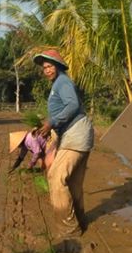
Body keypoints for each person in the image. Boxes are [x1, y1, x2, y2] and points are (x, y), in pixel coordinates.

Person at [35, 49, 94, 242]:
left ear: (58, 67)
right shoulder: (58, 84)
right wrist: (50, 125)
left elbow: (72, 105)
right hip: (78, 134)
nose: (47, 70)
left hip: (76, 134)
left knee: (55, 177)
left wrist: (51, 123)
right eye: (44, 68)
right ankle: (81, 220)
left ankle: (69, 231)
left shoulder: (63, 82)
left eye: (50, 66)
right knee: (74, 183)